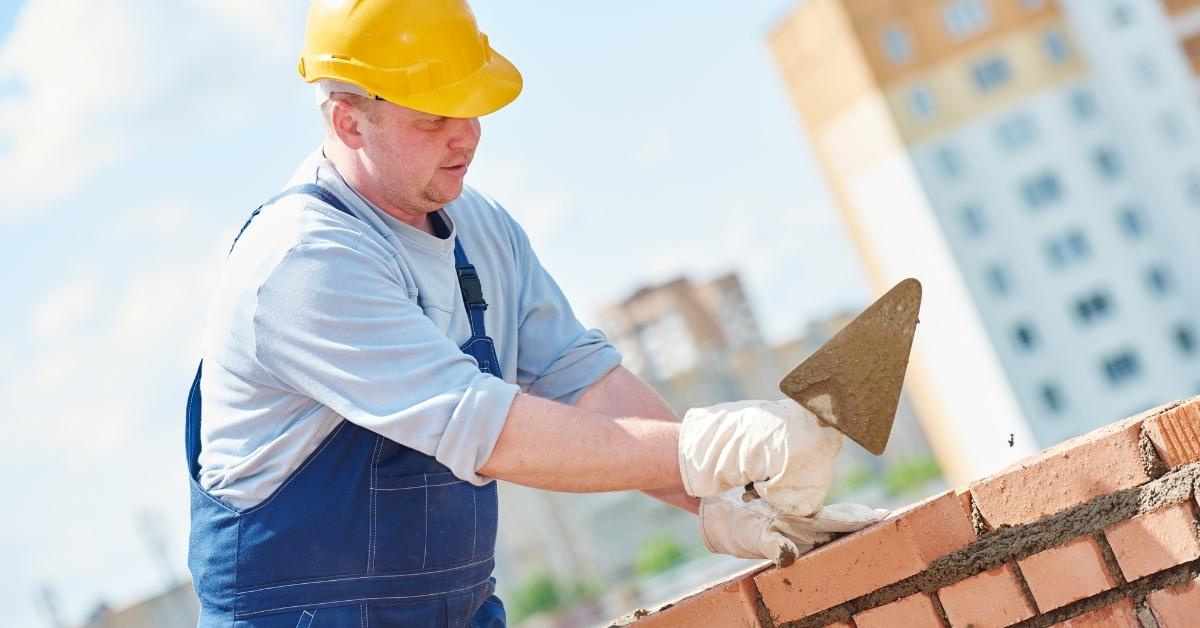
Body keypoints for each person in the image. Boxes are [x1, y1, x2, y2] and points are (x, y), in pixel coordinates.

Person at [184, 1, 883, 625]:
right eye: (434, 117)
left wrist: (726, 502)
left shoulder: (480, 228)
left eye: (471, 106)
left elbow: (583, 380)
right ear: (349, 121)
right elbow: (488, 431)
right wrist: (707, 446)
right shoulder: (302, 264)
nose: (467, 136)